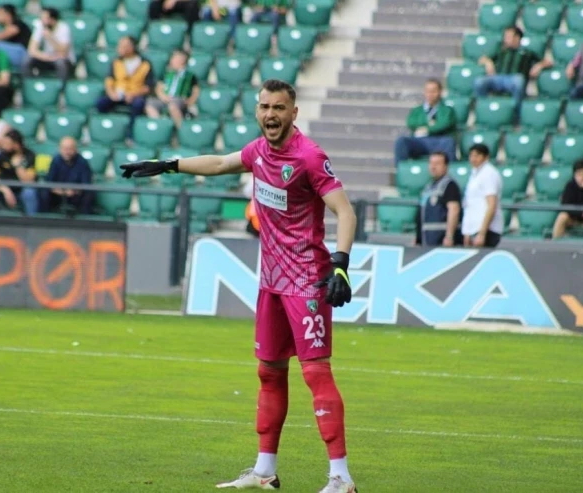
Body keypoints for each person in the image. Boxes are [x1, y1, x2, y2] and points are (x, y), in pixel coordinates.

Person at [120, 79, 358, 493]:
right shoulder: (258, 151)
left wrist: (340, 264)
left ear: (294, 113)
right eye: (265, 107)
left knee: (316, 373)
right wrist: (170, 165)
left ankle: (341, 478)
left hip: (307, 282)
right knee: (269, 372)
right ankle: (265, 470)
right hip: (271, 283)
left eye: (279, 108)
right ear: (257, 111)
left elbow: (345, 211)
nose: (271, 114)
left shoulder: (309, 157)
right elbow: (218, 163)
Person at [474, 26, 549, 112]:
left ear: (517, 38)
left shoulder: (527, 53)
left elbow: (548, 62)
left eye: (509, 37)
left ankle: (516, 112)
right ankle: (482, 109)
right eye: (505, 37)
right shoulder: (501, 51)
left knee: (519, 80)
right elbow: (482, 59)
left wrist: (539, 66)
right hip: (498, 79)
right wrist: (488, 62)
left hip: (514, 80)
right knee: (479, 81)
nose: (506, 39)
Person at [96, 36, 153, 140]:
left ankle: (130, 134)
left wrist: (133, 94)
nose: (119, 48)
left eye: (123, 46)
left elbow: (148, 87)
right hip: (118, 93)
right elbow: (109, 80)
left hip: (134, 94)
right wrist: (111, 93)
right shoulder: (116, 62)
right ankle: (107, 130)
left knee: (138, 104)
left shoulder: (145, 64)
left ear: (132, 47)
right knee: (101, 103)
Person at [394, 79, 457, 165]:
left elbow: (444, 124)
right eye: (428, 91)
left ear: (440, 92)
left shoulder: (447, 110)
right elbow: (411, 123)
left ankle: (450, 170)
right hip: (419, 141)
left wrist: (426, 129)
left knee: (449, 142)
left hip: (439, 140)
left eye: (433, 91)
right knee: (401, 141)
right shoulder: (416, 110)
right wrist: (432, 125)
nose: (430, 94)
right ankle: (401, 170)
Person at [0, 129, 38, 215]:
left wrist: (18, 166)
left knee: (29, 192)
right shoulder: (2, 155)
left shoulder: (29, 155)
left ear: (16, 145)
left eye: (7, 143)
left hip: (20, 191)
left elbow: (29, 181)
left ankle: (32, 220)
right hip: (4, 189)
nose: (4, 146)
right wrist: (5, 190)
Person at [414, 152, 462, 247]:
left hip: (440, 240)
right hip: (427, 240)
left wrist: (449, 236)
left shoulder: (449, 185)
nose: (433, 167)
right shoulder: (429, 186)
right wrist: (418, 238)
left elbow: (454, 210)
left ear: (445, 166)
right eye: (431, 163)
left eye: (437, 164)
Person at [461, 144, 504, 248]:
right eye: (471, 155)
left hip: (486, 229)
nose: (473, 159)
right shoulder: (475, 174)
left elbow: (491, 204)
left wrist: (482, 233)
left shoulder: (489, 173)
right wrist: (467, 231)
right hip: (474, 228)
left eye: (477, 156)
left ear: (486, 157)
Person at [145, 50, 200, 128]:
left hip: (179, 99)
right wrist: (163, 97)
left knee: (173, 106)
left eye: (179, 59)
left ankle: (180, 128)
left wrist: (190, 101)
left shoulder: (189, 76)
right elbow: (159, 88)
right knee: (150, 104)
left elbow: (196, 91)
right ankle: (160, 126)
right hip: (165, 99)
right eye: (174, 59)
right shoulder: (165, 73)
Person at [39, 137, 94, 214]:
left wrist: (74, 191)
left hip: (75, 195)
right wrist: (62, 191)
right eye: (64, 149)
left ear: (76, 149)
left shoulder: (83, 162)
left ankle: (84, 219)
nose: (67, 152)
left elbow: (86, 184)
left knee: (89, 194)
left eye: (70, 149)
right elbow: (49, 182)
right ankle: (45, 217)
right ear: (60, 149)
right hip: (58, 194)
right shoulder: (55, 160)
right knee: (44, 192)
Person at [22, 8, 75, 81]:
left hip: (64, 60)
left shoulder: (63, 28)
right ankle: (29, 84)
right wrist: (47, 57)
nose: (42, 20)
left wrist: (50, 38)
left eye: (45, 18)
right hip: (47, 57)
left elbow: (64, 52)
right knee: (27, 59)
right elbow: (31, 49)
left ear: (52, 20)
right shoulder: (40, 26)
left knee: (60, 62)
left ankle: (62, 86)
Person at [552, 160, 583, 242]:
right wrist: (581, 213)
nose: (581, 178)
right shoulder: (570, 186)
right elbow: (565, 206)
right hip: (574, 218)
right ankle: (555, 242)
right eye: (578, 175)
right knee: (562, 215)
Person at [0, 4, 32, 70]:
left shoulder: (17, 25)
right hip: (13, 53)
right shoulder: (4, 27)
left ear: (8, 15)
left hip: (23, 55)